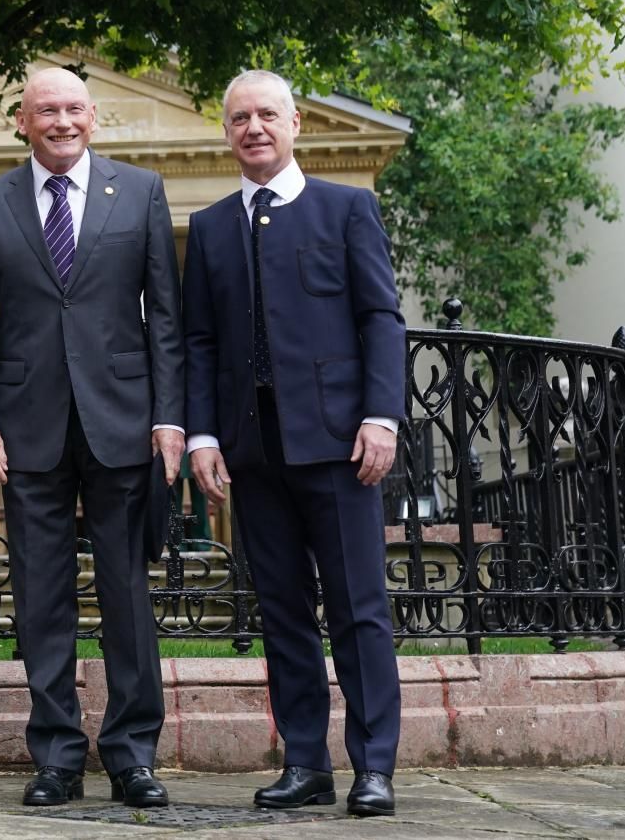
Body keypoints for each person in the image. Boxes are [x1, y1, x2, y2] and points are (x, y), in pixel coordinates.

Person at [0, 67, 183, 809]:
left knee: (126, 594)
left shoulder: (142, 191)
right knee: (41, 598)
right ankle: (55, 755)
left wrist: (168, 417)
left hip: (121, 422)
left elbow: (166, 320)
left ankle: (131, 753)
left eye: (73, 108)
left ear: (95, 117)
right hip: (26, 428)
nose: (62, 121)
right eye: (46, 110)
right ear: (22, 122)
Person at [182, 69, 404, 817]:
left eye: (267, 115)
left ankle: (375, 766)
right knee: (281, 612)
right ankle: (306, 762)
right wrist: (205, 435)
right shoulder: (211, 228)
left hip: (341, 447)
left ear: (296, 121)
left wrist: (382, 416)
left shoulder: (347, 209)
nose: (254, 128)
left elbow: (381, 319)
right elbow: (202, 340)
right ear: (227, 132)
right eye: (239, 117)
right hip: (253, 451)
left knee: (358, 609)